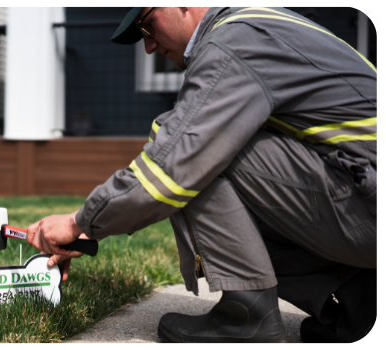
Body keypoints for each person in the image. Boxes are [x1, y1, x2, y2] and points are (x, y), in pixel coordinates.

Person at [26, 6, 377, 344]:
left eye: (146, 26)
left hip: (367, 205)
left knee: (193, 147)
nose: (148, 47)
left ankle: (247, 312)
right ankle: (360, 300)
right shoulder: (260, 22)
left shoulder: (234, 42)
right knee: (204, 141)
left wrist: (78, 223)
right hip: (363, 200)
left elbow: (174, 165)